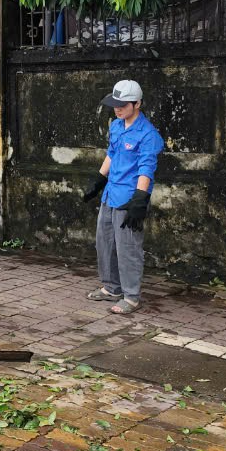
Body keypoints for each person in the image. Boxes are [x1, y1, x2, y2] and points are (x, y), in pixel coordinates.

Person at [82, 79, 165, 315]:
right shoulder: (117, 126)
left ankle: (131, 296)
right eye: (114, 104)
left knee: (128, 248)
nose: (117, 108)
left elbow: (145, 168)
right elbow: (111, 154)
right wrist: (99, 179)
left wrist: (140, 198)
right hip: (110, 194)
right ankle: (111, 287)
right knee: (104, 242)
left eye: (123, 104)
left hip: (129, 198)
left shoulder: (147, 134)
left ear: (137, 104)